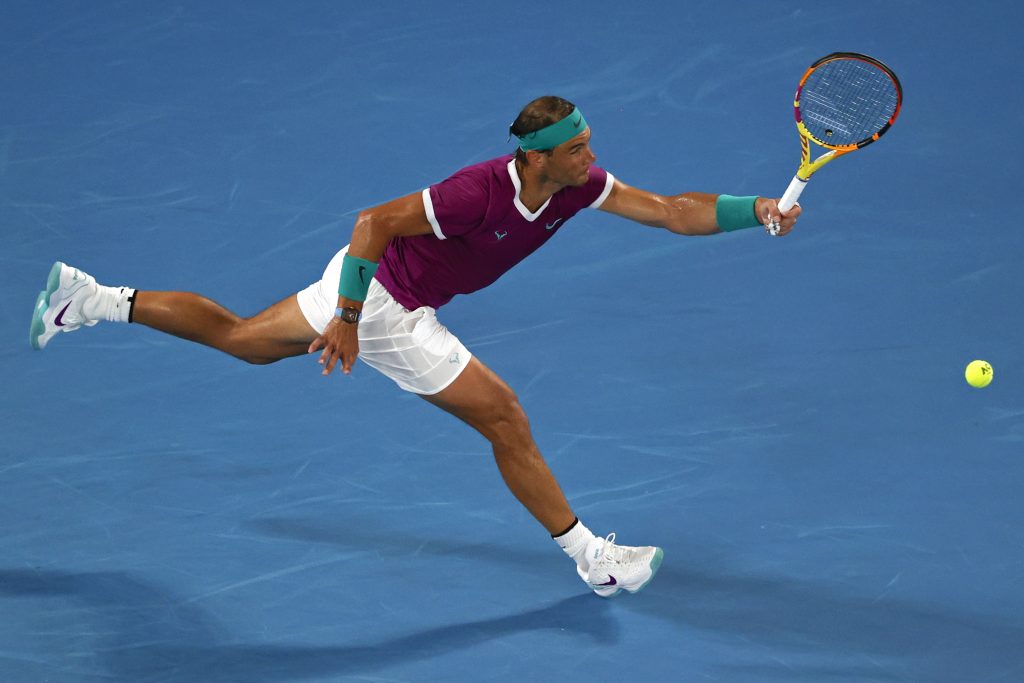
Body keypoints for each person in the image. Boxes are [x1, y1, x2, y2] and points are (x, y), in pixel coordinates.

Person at [29, 95, 799, 598]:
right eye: (573, 150)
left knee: (243, 340)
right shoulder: (477, 190)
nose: (588, 158)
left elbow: (668, 210)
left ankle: (90, 298)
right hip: (384, 302)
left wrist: (751, 208)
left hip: (362, 289)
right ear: (532, 156)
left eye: (588, 145)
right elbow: (371, 223)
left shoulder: (578, 185)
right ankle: (591, 556)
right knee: (503, 416)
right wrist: (351, 318)